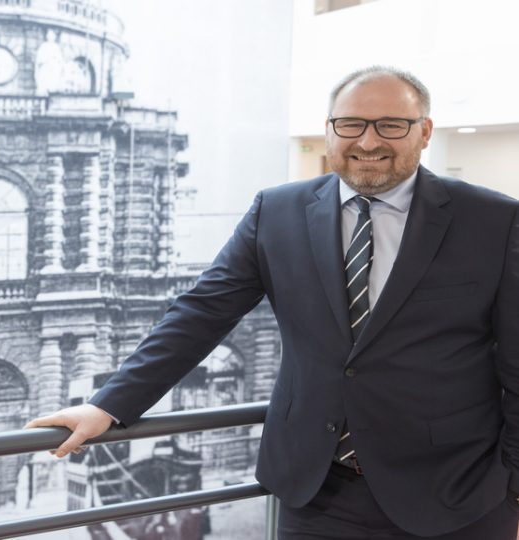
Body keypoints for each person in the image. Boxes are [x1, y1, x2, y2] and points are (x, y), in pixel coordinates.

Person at [25, 66, 519, 538]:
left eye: (391, 125)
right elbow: (201, 314)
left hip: (454, 493)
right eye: (351, 124)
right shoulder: (276, 211)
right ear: (329, 130)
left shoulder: (493, 222)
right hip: (318, 493)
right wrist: (107, 405)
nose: (369, 142)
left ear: (425, 131)